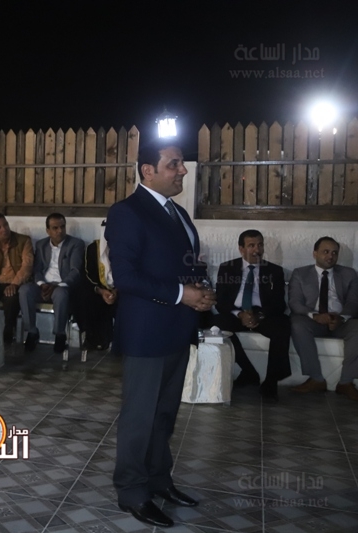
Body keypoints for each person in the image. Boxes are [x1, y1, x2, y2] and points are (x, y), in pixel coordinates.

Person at [105, 139, 214, 528]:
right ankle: (132, 491)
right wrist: (184, 294)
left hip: (178, 328)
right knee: (139, 417)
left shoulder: (178, 212)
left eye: (181, 163)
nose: (183, 170)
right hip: (146, 333)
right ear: (147, 170)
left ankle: (158, 480)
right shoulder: (127, 212)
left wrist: (202, 291)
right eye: (174, 164)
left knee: (164, 415)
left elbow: (187, 263)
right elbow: (126, 277)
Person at [210, 230, 290, 402]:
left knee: (283, 325)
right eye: (251, 245)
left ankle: (271, 381)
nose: (257, 250)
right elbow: (221, 302)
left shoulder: (274, 271)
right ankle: (248, 371)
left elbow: (279, 304)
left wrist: (258, 316)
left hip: (262, 314)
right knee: (217, 322)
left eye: (260, 245)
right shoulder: (227, 268)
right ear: (241, 249)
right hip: (236, 313)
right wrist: (240, 314)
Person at [289, 237, 358, 400]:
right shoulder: (300, 273)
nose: (330, 256)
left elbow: (353, 302)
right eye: (325, 252)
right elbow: (294, 302)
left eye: (334, 253)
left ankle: (346, 382)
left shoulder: (349, 274)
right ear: (315, 253)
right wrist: (315, 316)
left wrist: (341, 318)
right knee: (296, 323)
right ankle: (316, 379)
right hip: (313, 321)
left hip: (340, 322)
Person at [19, 213, 84, 352]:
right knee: (24, 290)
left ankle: (60, 334)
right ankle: (32, 331)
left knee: (60, 294)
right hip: (44, 285)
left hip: (62, 285)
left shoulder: (75, 244)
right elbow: (37, 269)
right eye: (55, 228)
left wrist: (57, 285)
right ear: (48, 230)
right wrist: (42, 284)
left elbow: (75, 271)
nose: (60, 231)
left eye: (62, 227)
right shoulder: (41, 244)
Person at [0, 213, 34, 344]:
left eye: (5, 225)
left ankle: (8, 331)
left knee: (11, 297)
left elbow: (27, 267)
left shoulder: (23, 241)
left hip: (16, 283)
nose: (4, 229)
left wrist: (14, 284)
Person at [78, 229, 117, 351]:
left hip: (121, 290)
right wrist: (101, 291)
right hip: (98, 290)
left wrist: (116, 291)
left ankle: (121, 343)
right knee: (85, 297)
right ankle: (93, 339)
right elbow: (87, 275)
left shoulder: (127, 248)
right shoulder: (93, 248)